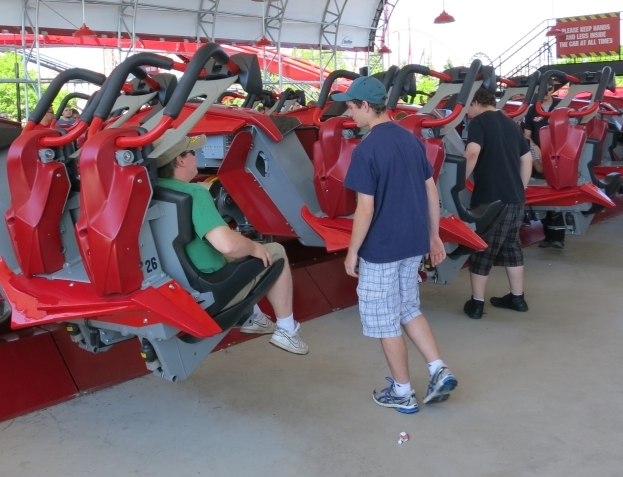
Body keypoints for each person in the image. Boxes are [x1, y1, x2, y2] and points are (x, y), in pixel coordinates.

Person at [337, 77, 455, 414]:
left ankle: (403, 391)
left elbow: (365, 208)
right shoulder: (412, 140)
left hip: (383, 247)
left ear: (365, 105)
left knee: (385, 320)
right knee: (408, 307)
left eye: (350, 106)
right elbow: (432, 191)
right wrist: (434, 236)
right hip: (413, 242)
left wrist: (352, 251)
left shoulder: (367, 149)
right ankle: (437, 368)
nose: (349, 112)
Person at [155, 134, 308, 354]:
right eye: (192, 152)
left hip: (177, 284)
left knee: (241, 248)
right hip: (208, 288)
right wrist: (255, 247)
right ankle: (288, 331)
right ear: (180, 160)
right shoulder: (194, 193)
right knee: (274, 251)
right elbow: (226, 245)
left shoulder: (153, 190)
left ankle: (254, 319)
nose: (196, 156)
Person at [462, 86, 534, 320]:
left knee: (483, 249)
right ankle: (517, 297)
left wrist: (456, 182)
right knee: (512, 247)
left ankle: (476, 303)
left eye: (466, 106)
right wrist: (520, 188)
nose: (465, 112)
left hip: (491, 198)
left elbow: (472, 153)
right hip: (515, 198)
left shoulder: (479, 123)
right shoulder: (512, 124)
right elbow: (526, 159)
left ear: (474, 102)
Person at [523, 80, 565, 248]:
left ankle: (558, 238)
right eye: (542, 90)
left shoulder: (562, 106)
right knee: (544, 195)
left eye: (548, 89)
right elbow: (527, 135)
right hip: (540, 156)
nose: (546, 93)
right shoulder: (533, 109)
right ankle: (548, 237)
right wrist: (535, 150)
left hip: (560, 156)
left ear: (552, 89)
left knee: (558, 198)